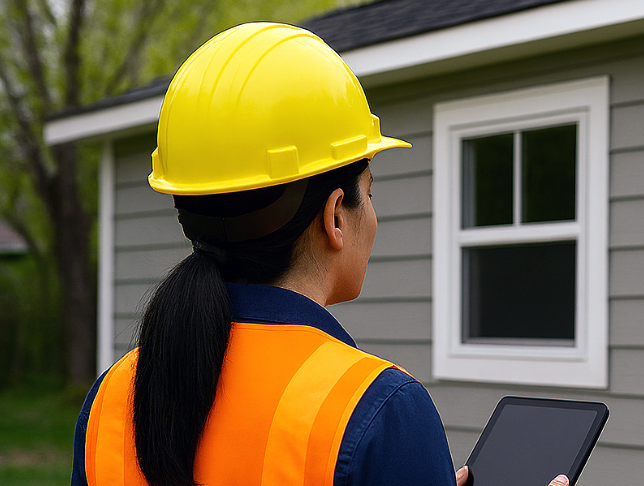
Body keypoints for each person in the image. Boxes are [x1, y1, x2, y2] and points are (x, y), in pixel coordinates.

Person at [70, 22, 570, 486]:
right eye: (369, 194)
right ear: (335, 216)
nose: (374, 217)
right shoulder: (377, 409)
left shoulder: (111, 398)